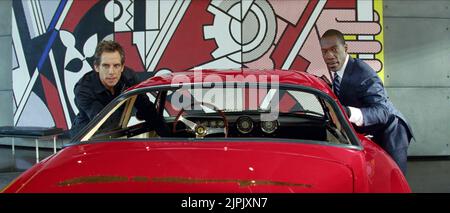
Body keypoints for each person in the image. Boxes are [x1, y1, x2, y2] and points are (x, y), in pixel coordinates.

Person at [320, 29, 413, 174]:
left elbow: (382, 112)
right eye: (324, 51)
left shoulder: (363, 73)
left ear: (345, 48)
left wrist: (348, 112)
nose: (329, 56)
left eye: (334, 49)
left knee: (393, 180)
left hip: (392, 131)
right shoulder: (339, 71)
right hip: (372, 132)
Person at [70, 40, 168, 138]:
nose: (111, 72)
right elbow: (106, 124)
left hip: (115, 133)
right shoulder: (84, 89)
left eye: (116, 66)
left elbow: (147, 110)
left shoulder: (129, 78)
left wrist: (168, 136)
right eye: (106, 66)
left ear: (122, 67)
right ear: (96, 67)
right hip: (84, 139)